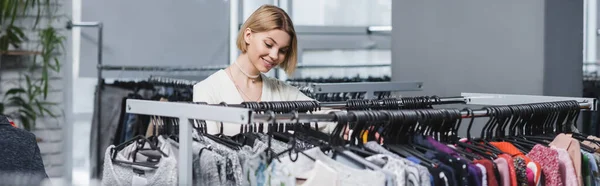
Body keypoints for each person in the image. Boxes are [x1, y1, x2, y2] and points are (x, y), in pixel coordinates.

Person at [193, 5, 315, 135]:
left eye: (282, 50)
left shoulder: (281, 91)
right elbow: (208, 149)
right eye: (268, 44)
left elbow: (325, 116)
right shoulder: (207, 90)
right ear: (248, 35)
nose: (274, 55)